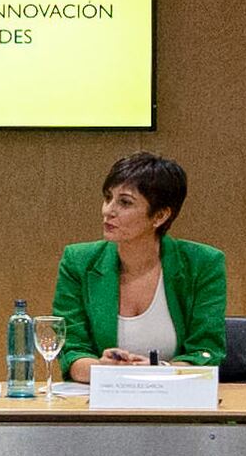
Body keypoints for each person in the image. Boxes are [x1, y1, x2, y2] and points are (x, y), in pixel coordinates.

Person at [47, 151, 226, 371]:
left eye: (125, 202)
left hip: (175, 390)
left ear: (160, 216)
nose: (108, 211)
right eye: (108, 198)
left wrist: (160, 370)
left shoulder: (203, 263)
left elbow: (206, 351)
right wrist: (102, 368)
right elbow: (72, 351)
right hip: (101, 391)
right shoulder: (78, 261)